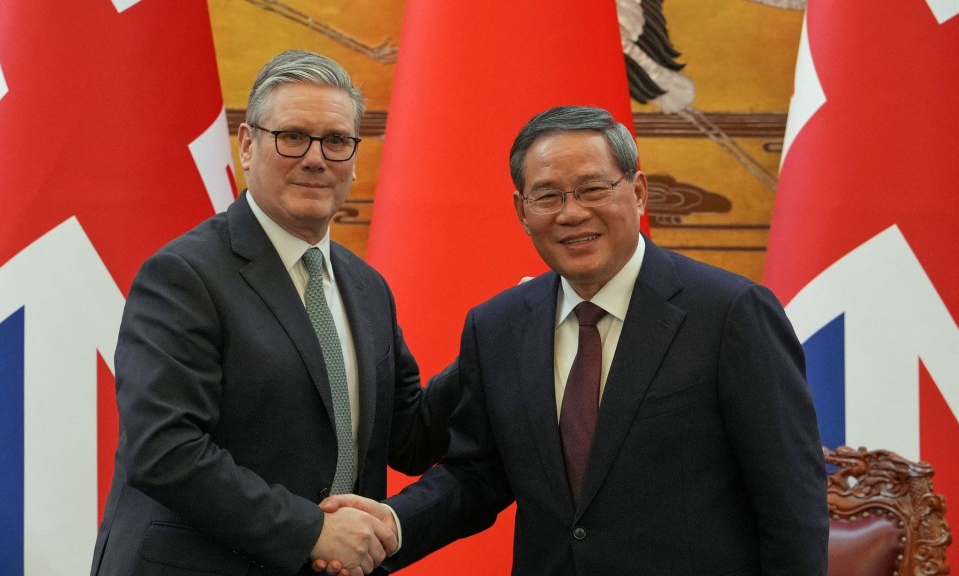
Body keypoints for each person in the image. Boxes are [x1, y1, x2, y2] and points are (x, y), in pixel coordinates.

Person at [319, 105, 829, 575]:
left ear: (638, 191)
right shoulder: (497, 326)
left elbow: (792, 505)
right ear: (522, 209)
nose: (572, 213)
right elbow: (477, 474)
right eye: (548, 196)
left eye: (593, 189)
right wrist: (389, 528)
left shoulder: (731, 314)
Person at [90, 49, 457, 576]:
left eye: (336, 141)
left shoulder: (367, 287)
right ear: (247, 144)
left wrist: (500, 335)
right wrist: (312, 531)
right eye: (293, 136)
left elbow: (410, 440)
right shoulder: (183, 275)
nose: (316, 158)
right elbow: (163, 448)